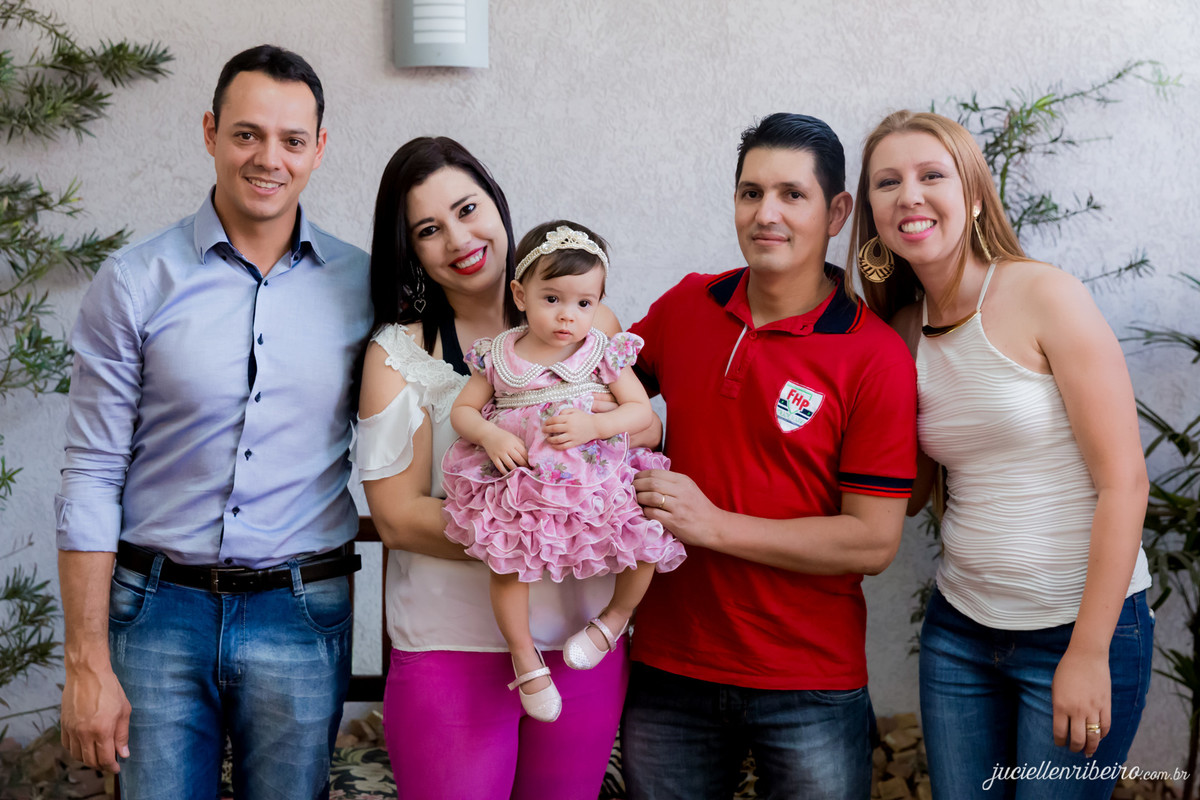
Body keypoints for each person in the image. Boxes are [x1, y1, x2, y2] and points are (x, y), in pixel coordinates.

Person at [53, 45, 370, 799]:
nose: (269, 158)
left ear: (319, 149)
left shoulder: (365, 286)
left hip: (303, 609)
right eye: (247, 134)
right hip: (156, 611)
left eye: (292, 140)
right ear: (210, 132)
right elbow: (92, 471)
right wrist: (86, 660)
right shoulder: (133, 282)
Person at [848, 109, 1153, 799]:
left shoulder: (1044, 294)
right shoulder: (901, 332)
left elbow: (1125, 483)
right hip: (960, 633)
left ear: (976, 195)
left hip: (1079, 631)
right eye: (887, 182)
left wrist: (1088, 652)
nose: (909, 195)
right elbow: (905, 493)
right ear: (871, 212)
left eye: (932, 175)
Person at [623, 112, 918, 800]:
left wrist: (712, 524)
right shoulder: (687, 305)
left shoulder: (874, 355)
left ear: (837, 213)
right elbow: (592, 384)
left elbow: (872, 541)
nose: (766, 214)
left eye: (792, 194)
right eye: (751, 193)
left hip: (808, 680)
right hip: (670, 666)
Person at [355, 140, 637, 798]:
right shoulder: (398, 353)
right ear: (410, 249)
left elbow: (636, 437)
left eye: (467, 209)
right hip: (449, 649)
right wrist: (539, 531)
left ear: (497, 206)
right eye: (429, 229)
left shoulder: (589, 324)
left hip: (580, 640)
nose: (459, 239)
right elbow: (397, 518)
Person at [441, 220, 686, 722]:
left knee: (645, 535)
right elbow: (462, 411)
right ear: (520, 294)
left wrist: (596, 425)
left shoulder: (602, 352)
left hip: (596, 478)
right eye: (552, 299)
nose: (567, 315)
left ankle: (614, 620)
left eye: (583, 303)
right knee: (507, 561)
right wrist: (490, 434)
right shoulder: (499, 355)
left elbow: (640, 411)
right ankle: (524, 655)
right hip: (525, 481)